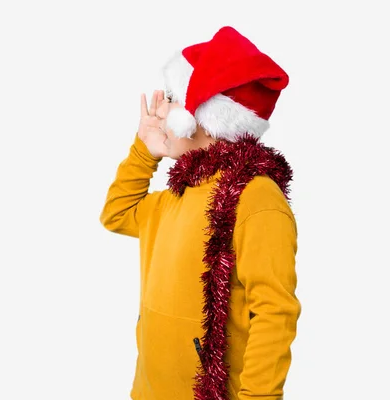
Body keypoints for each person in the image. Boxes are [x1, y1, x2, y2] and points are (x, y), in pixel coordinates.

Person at [99, 26, 301, 400]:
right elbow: (116, 213)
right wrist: (145, 151)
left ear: (200, 115)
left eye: (172, 98)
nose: (161, 110)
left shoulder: (255, 199)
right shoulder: (177, 194)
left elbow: (274, 313)